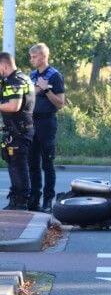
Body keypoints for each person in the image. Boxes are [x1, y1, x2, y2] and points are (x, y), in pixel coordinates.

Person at [28, 43, 66, 212]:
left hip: (46, 123)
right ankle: (34, 199)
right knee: (32, 163)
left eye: (34, 57)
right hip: (32, 123)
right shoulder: (32, 75)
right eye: (31, 57)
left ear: (43, 57)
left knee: (47, 164)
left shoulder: (54, 75)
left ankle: (47, 201)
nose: (31, 60)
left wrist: (46, 90)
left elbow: (61, 103)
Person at [0, 52, 35, 210]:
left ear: (3, 65)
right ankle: (17, 199)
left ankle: (21, 202)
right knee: (15, 165)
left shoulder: (15, 81)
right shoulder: (23, 78)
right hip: (19, 129)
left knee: (18, 166)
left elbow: (14, 106)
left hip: (19, 131)